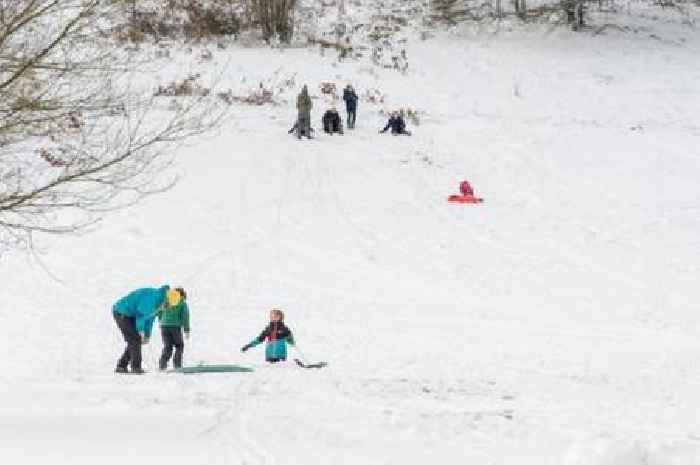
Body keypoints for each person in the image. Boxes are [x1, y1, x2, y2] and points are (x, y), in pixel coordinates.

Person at [112, 285, 179, 374]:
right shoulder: (151, 301)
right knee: (135, 339)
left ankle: (121, 366)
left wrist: (147, 335)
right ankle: (136, 367)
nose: (168, 307)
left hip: (132, 314)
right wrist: (141, 330)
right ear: (166, 298)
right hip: (122, 312)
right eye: (168, 304)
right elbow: (141, 316)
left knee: (135, 340)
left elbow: (149, 319)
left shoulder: (159, 303)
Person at [157, 287, 190, 371]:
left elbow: (159, 311)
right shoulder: (182, 303)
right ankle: (177, 365)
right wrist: (186, 330)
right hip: (175, 327)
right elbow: (185, 317)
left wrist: (161, 320)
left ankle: (162, 364)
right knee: (179, 345)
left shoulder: (166, 300)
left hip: (164, 326)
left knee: (168, 346)